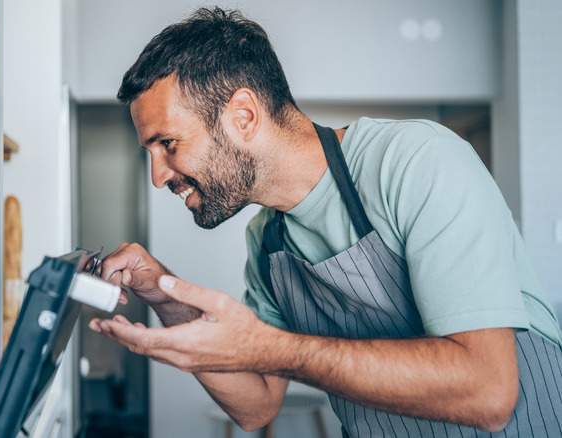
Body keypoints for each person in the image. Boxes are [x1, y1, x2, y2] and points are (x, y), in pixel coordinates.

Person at [88, 7, 562, 437]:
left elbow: (489, 391)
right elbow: (256, 406)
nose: (157, 177)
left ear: (244, 116)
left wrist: (273, 348)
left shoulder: (414, 163)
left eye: (167, 143)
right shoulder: (268, 241)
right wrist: (162, 292)